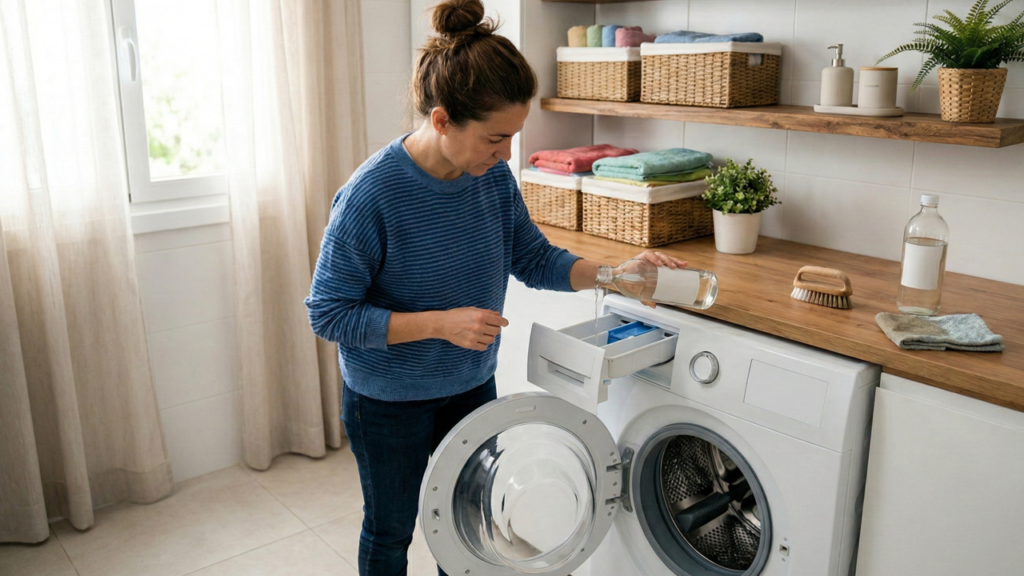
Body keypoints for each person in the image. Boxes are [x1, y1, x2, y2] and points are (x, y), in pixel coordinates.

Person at [305, 1, 685, 574]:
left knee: (466, 521)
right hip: (387, 401)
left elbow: (532, 259)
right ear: (440, 120)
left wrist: (615, 276)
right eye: (493, 138)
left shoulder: (491, 178)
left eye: (511, 136)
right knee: (391, 531)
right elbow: (329, 315)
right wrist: (439, 323)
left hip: (469, 385)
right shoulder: (371, 196)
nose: (506, 153)